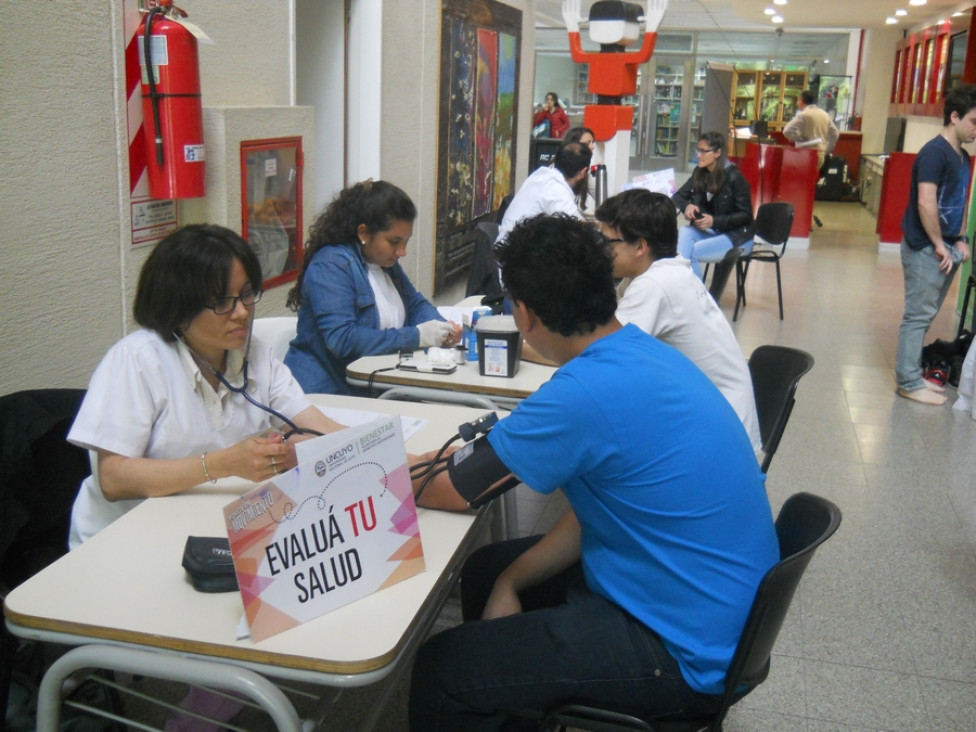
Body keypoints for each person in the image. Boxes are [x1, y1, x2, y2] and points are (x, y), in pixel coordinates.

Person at [408, 213, 778, 730]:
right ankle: (509, 699)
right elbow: (596, 513)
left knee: (441, 669)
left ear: (525, 313)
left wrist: (372, 466)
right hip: (711, 609)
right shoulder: (643, 352)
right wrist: (509, 583)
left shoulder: (583, 393)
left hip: (682, 653)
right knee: (488, 570)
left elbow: (448, 487)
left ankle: (489, 691)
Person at [67, 223, 347, 549]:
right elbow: (113, 479)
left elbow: (314, 426)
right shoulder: (138, 360)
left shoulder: (252, 352)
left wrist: (398, 459)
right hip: (126, 542)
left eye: (246, 294)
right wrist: (223, 463)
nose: (241, 312)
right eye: (221, 302)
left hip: (214, 529)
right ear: (178, 305)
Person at [596, 188, 762, 454]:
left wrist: (519, 348)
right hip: (715, 419)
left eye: (608, 243)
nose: (601, 251)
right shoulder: (664, 271)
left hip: (720, 440)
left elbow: (602, 355)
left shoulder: (656, 284)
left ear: (640, 245)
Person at [284, 180, 461, 395]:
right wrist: (417, 336)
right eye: (394, 242)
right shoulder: (331, 265)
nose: (402, 251)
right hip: (328, 393)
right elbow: (343, 340)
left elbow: (414, 304)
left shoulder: (384, 262)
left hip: (375, 386)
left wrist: (442, 328)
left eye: (406, 241)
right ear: (364, 233)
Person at [895, 83, 975, 406]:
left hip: (947, 248)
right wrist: (940, 245)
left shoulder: (963, 157)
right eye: (973, 121)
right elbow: (926, 203)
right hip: (926, 249)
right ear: (954, 117)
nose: (975, 129)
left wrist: (961, 238)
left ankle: (913, 373)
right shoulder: (933, 152)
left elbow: (958, 202)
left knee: (925, 315)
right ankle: (908, 381)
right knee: (917, 316)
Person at [672, 130, 755, 280]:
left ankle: (698, 298)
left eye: (704, 151)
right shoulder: (700, 172)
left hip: (737, 236)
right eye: (698, 150)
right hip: (714, 232)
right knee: (684, 231)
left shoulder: (734, 177)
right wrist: (687, 206)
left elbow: (746, 216)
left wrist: (714, 221)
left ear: (717, 153)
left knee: (691, 253)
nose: (698, 155)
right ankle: (688, 293)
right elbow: (677, 196)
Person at [496, 141, 591, 248]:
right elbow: (582, 229)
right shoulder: (555, 189)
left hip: (507, 248)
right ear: (583, 172)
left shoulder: (542, 174)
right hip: (511, 256)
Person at [783, 89, 840, 171]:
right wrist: (827, 148)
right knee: (812, 180)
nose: (796, 103)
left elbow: (787, 131)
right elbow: (835, 133)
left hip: (805, 154)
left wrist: (798, 139)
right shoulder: (824, 114)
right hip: (820, 154)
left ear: (801, 101)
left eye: (798, 100)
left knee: (802, 181)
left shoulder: (804, 115)